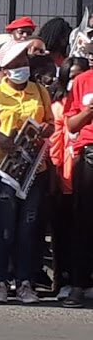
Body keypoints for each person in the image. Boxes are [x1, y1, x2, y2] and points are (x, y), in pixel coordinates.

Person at [0, 39, 53, 304]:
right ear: (5, 68)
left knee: (28, 228)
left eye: (24, 61)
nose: (21, 66)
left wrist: (47, 129)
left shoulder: (40, 91)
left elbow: (50, 123)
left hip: (35, 169)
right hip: (2, 172)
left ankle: (25, 282)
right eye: (15, 63)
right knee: (5, 229)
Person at [48, 57, 89, 300]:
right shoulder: (58, 105)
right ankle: (63, 278)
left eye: (79, 75)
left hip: (81, 169)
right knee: (65, 230)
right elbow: (57, 142)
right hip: (66, 173)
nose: (75, 81)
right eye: (70, 76)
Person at [61, 55, 93, 307]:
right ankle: (78, 284)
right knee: (84, 223)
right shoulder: (83, 81)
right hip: (90, 154)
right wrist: (88, 111)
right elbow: (70, 124)